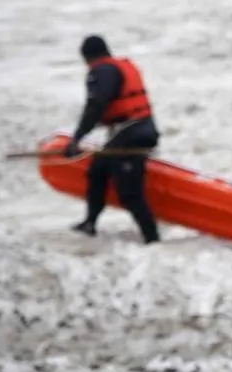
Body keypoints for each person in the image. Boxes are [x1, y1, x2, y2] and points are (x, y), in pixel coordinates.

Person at [63, 34, 162, 244]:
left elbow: (95, 107)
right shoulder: (115, 67)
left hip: (132, 136)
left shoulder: (103, 71)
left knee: (129, 194)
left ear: (87, 58)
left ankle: (153, 240)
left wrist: (77, 139)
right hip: (134, 132)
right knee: (97, 170)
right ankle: (90, 223)